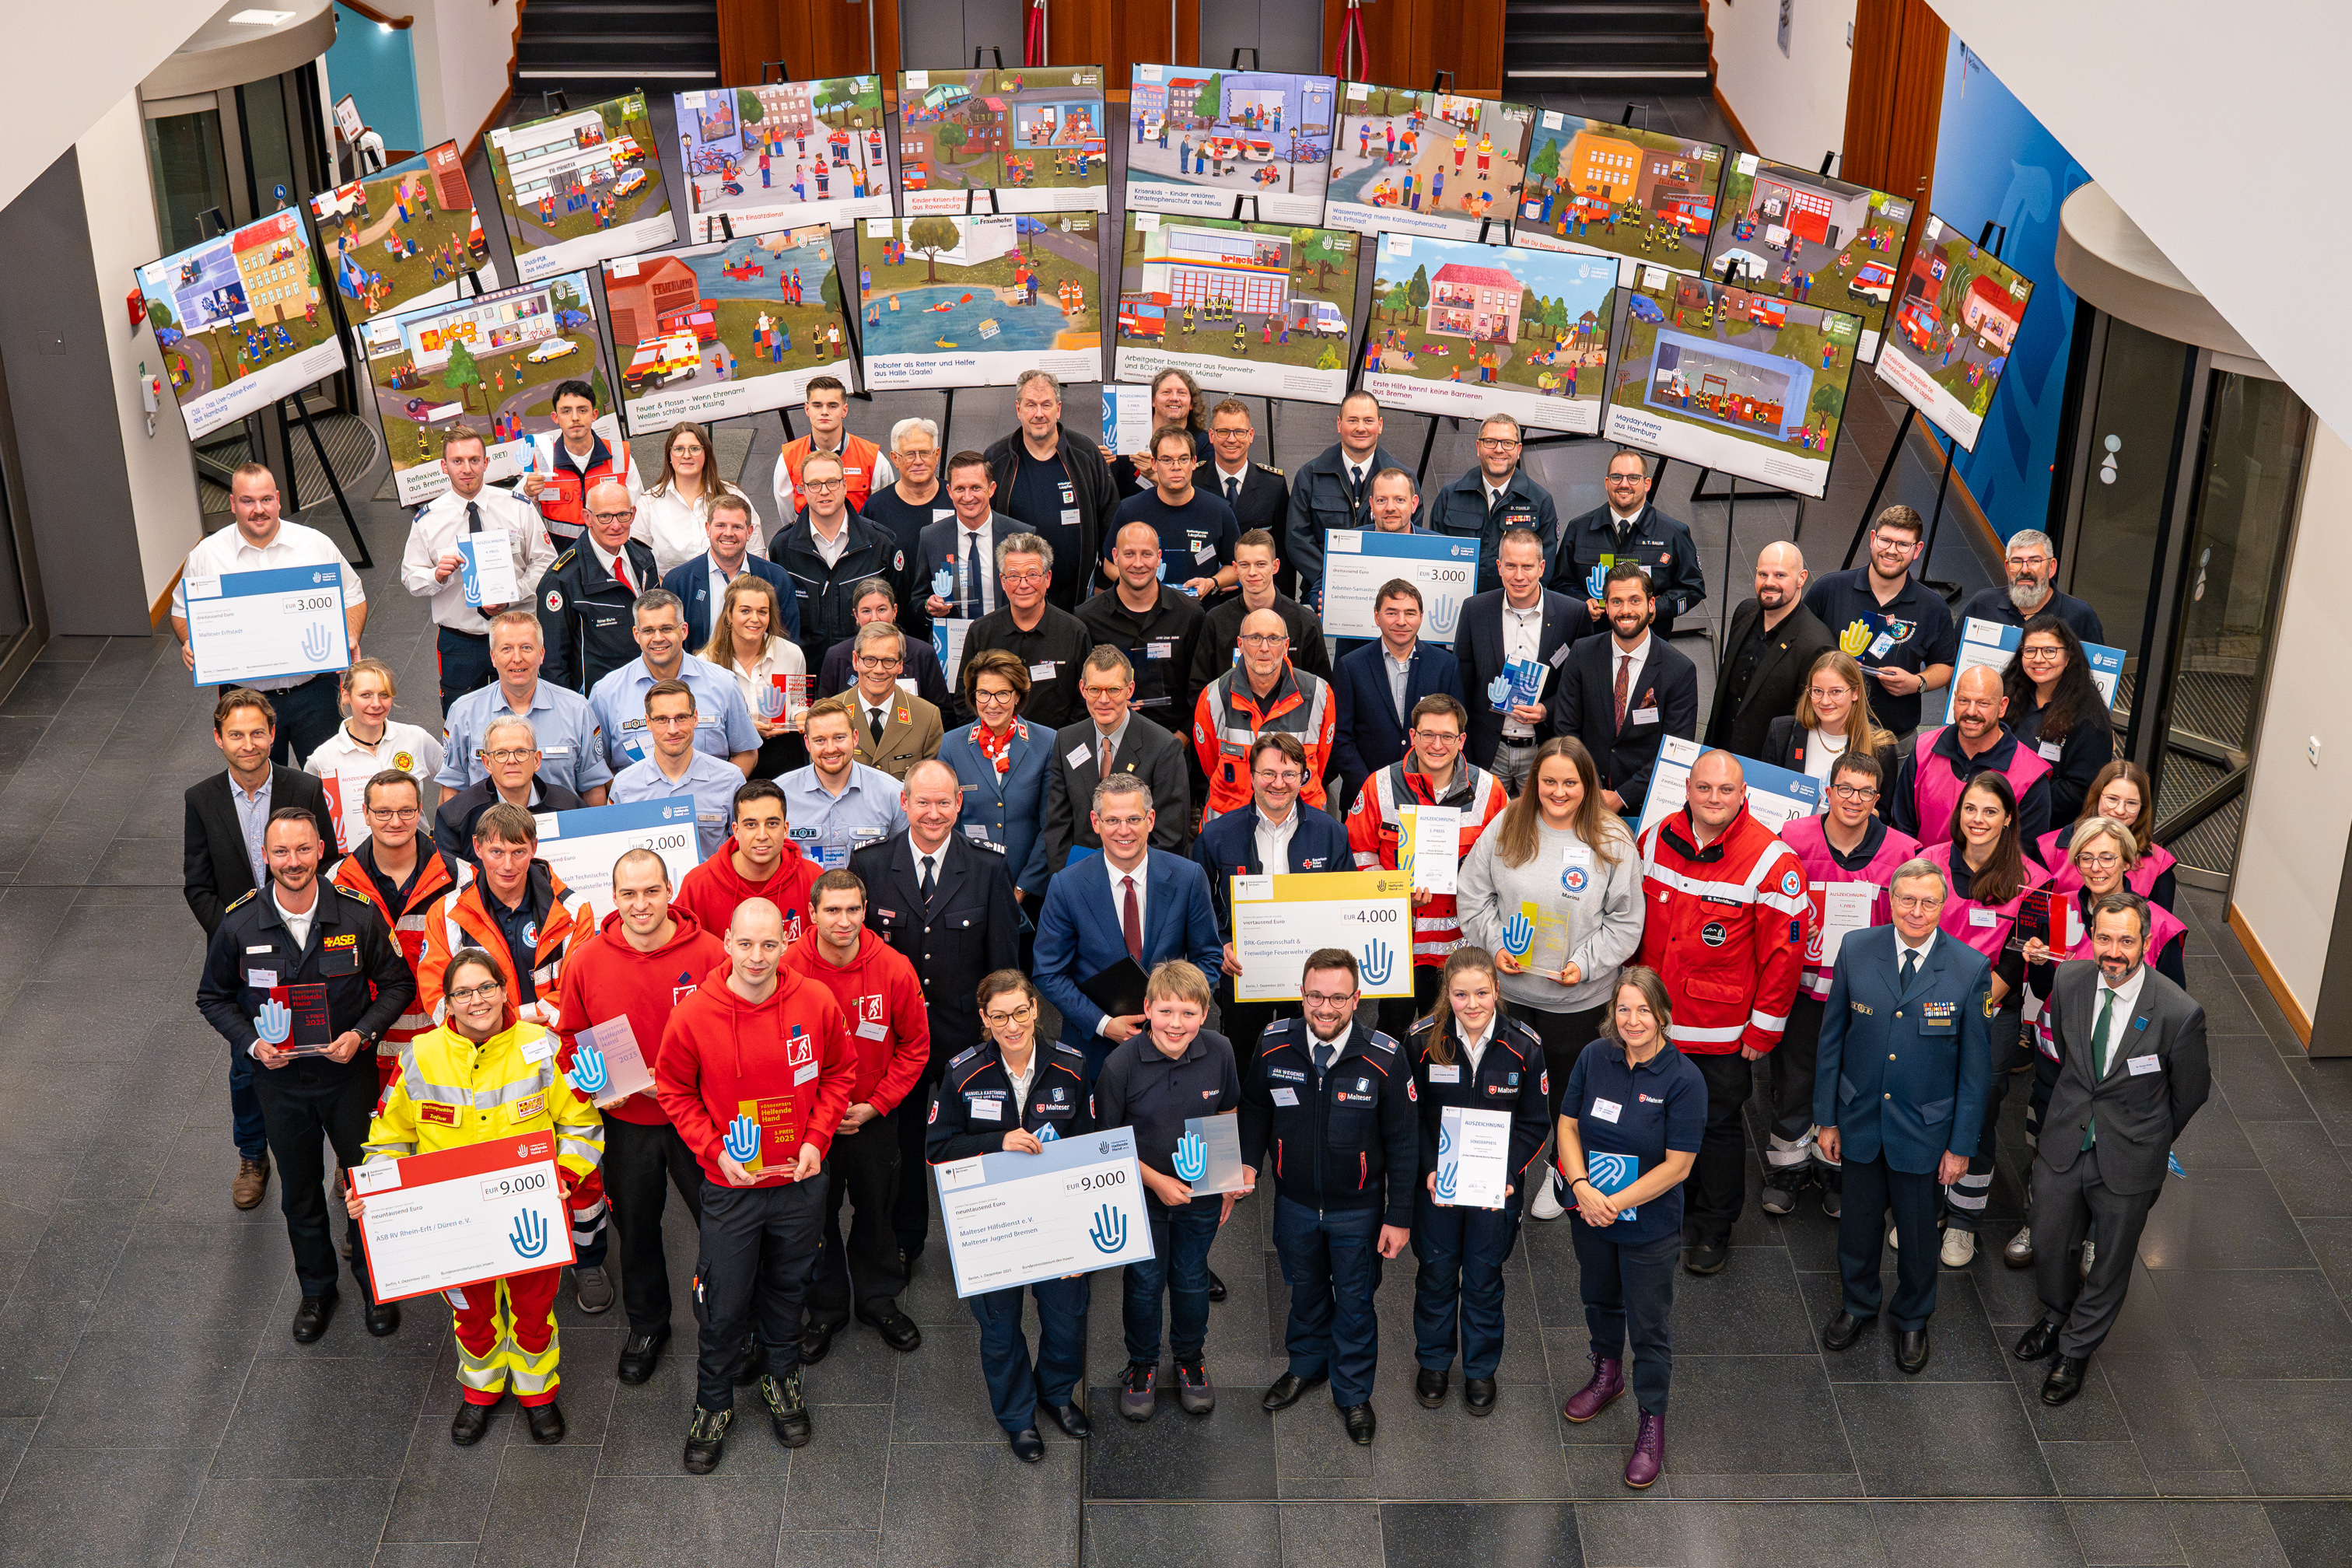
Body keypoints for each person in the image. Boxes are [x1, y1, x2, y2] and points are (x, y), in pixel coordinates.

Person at [352, 947, 604, 1443]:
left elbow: (580, 1125)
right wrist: (372, 1191)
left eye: (486, 987)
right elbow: (389, 1138)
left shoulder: (542, 1047)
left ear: (505, 990)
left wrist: (566, 1178)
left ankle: (538, 1394)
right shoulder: (419, 1057)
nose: (477, 1000)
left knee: (534, 1312)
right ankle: (481, 1393)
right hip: (456, 1231)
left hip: (530, 1219)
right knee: (473, 1317)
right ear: (446, 1003)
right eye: (463, 992)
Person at [197, 807, 415, 1341]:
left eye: (302, 850)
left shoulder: (358, 915)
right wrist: (251, 1043)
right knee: (299, 1191)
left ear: (321, 850)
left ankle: (375, 1283)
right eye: (280, 852)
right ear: (265, 858)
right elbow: (213, 996)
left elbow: (397, 986)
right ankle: (317, 1290)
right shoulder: (240, 922)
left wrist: (361, 1034)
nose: (292, 863)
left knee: (368, 1183)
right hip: (280, 1084)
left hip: (349, 1079)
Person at [656, 898, 859, 1471]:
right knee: (722, 1300)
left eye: (770, 945)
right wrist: (715, 1152)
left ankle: (782, 1381)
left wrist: (818, 1139)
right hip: (731, 1188)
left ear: (785, 944)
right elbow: (674, 1090)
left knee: (789, 1289)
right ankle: (713, 1403)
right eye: (745, 944)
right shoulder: (694, 1014)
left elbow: (841, 1072)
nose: (757, 956)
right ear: (726, 943)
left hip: (798, 1183)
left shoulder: (815, 1002)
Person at [2014, 891, 2207, 1405]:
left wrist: (2151, 1137)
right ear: (2091, 938)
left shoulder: (2178, 1012)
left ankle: (2075, 1350)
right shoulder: (2071, 980)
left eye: (2126, 940)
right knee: (2050, 1242)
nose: (2114, 951)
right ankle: (2056, 1315)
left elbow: (2191, 1092)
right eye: (2104, 938)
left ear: (2146, 942)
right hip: (2063, 1142)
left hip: (2130, 1159)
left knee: (2110, 1263)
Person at [551, 848, 726, 1383]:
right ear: (614, 897)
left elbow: (734, 1033)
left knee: (720, 1229)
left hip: (700, 1122)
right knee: (638, 1229)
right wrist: (598, 1086)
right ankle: (648, 1324)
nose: (641, 903)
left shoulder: (713, 953)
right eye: (629, 893)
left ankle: (728, 1324)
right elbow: (569, 1042)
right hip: (628, 1126)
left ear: (670, 890)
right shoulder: (587, 960)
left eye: (651, 891)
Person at [1814, 858, 1993, 1375]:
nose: (1916, 911)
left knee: (1918, 1237)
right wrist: (1827, 1119)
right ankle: (1857, 1304)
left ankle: (1913, 1317)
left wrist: (1960, 1146)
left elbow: (1975, 1073)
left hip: (1926, 1135)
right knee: (1858, 1229)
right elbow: (1831, 1040)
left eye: (1928, 902)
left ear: (1944, 905)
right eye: (1907, 900)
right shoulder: (1855, 949)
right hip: (1860, 1123)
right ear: (1889, 900)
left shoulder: (1968, 968)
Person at [1633, 749, 1807, 1273]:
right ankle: (1670, 1205)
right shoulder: (1655, 837)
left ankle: (1714, 1226)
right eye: (1704, 788)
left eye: (1725, 791)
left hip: (1722, 1030)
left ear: (1743, 795)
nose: (1713, 799)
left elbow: (1784, 955)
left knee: (1717, 1127)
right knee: (1657, 1120)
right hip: (1655, 1022)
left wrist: (1763, 1030)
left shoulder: (1773, 861)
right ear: (1687, 789)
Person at [1457, 734, 1644, 1214]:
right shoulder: (1507, 825)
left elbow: (1625, 922)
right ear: (1533, 781)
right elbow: (1473, 896)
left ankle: (1560, 1174)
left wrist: (1585, 965)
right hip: (1511, 996)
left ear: (1589, 784)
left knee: (1568, 1094)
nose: (1558, 792)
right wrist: (1495, 947)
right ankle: (1488, 1170)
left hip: (1577, 1002)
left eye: (1570, 782)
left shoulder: (1611, 838)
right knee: (1499, 1087)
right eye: (1548, 782)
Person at [1238, 948, 1416, 1445]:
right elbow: (1254, 1106)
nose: (1325, 1008)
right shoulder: (1274, 1045)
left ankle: (1354, 1393)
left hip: (1358, 1212)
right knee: (1305, 1290)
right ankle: (1307, 1366)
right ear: (1301, 994)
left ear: (1357, 999)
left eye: (1339, 997)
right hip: (1293, 1203)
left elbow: (1404, 1141)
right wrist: (1249, 1162)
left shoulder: (1385, 1057)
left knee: (1356, 1302)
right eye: (1316, 995)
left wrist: (1398, 1215)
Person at [852, 760, 1020, 1262]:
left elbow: (1004, 967)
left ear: (959, 804)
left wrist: (1001, 1032)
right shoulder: (870, 865)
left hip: (964, 1036)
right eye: (922, 802)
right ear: (903, 803)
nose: (932, 813)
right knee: (899, 1146)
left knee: (975, 1139)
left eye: (943, 802)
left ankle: (988, 1238)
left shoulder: (989, 869)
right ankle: (905, 1242)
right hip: (892, 1037)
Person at [926, 970, 1096, 1461]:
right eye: (999, 1016)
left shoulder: (1072, 1067)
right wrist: (995, 1143)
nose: (1012, 1025)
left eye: (1020, 1012)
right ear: (984, 1019)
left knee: (1067, 1322)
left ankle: (1057, 1394)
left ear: (1036, 1010)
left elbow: (1089, 1151)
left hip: (1056, 1220)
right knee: (1000, 1330)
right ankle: (1019, 1418)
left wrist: (1085, 1239)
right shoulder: (963, 1073)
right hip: (992, 1227)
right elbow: (938, 1149)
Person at [184, 689, 340, 1209]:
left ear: (273, 735)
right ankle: (253, 1154)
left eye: (257, 732)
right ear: (218, 738)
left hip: (310, 939)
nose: (247, 744)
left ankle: (345, 1162)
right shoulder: (200, 799)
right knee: (246, 1058)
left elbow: (330, 862)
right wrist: (238, 935)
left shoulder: (305, 787)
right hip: (246, 958)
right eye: (236, 733)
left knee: (328, 1043)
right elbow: (198, 885)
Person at [1556, 967, 1705, 1487]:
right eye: (1624, 1009)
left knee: (1649, 1327)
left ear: (1663, 1014)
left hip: (1648, 1228)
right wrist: (1578, 1186)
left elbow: (1678, 1167)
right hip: (1590, 1214)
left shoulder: (1684, 1080)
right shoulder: (1595, 1057)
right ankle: (1607, 1374)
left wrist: (1611, 1202)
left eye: (1644, 1009)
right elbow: (1568, 1124)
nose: (1633, 1019)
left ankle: (1651, 1418)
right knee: (1598, 1299)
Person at [780, 870, 929, 1359]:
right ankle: (825, 1310)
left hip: (871, 1118)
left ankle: (878, 1298)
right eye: (831, 911)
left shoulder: (894, 968)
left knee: (876, 1214)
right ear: (812, 914)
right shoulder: (787, 968)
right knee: (815, 1218)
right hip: (807, 1126)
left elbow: (915, 1047)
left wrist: (876, 1105)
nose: (843, 921)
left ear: (865, 912)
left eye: (852, 910)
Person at [1765, 751, 1921, 1216]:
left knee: (1852, 1080)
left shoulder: (1902, 851)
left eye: (1866, 792)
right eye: (1845, 789)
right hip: (1803, 987)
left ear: (1878, 800)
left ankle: (1833, 1164)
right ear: (1827, 792)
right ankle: (1788, 1166)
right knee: (1795, 1076)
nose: (1854, 800)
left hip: (1865, 994)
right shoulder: (1791, 839)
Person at [1094, 959, 1247, 1422]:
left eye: (1187, 1013)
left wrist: (1223, 1183)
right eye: (1165, 1012)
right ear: (1146, 1010)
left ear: (1204, 1014)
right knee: (1143, 1282)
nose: (1175, 1024)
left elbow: (1226, 1112)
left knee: (1191, 1276)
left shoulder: (1220, 1052)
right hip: (1141, 1194)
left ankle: (1189, 1359)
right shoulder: (1120, 1066)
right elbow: (1106, 1143)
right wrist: (1157, 1183)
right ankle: (1142, 1364)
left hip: (1200, 1195)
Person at [1406, 947, 1550, 1413]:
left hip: (1496, 1191)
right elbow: (1410, 1117)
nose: (1472, 1004)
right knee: (1436, 1274)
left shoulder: (1525, 1046)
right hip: (1437, 1189)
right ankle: (1433, 1361)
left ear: (1497, 991)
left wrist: (1506, 1174)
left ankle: (1480, 1370)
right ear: (1446, 993)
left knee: (1486, 1279)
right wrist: (1429, 1167)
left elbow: (1534, 1123)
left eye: (1482, 993)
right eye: (1461, 994)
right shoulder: (1423, 1042)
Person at [1917, 770, 2046, 1258]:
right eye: (1971, 808)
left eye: (1991, 811)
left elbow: (2018, 956)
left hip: (1993, 1008)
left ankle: (1965, 1220)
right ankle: (1924, 1208)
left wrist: (1974, 1007)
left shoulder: (2034, 881)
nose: (1978, 819)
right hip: (1928, 1002)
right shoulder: (1928, 863)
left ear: (2009, 818)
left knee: (1980, 1107)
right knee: (1927, 1102)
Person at [173, 462, 369, 761]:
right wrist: (191, 641)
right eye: (247, 501)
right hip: (245, 700)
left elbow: (353, 595)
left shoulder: (314, 545)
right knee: (260, 790)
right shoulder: (206, 556)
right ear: (232, 504)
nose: (259, 510)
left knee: (326, 786)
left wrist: (351, 636)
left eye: (266, 500)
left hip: (314, 691)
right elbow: (181, 612)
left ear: (278, 498)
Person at [1034, 773, 1223, 1076]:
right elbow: (1049, 972)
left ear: (1151, 820)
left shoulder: (1189, 878)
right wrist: (1103, 1024)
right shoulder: (1066, 886)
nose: (1124, 831)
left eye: (1134, 819)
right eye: (1112, 821)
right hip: (1095, 1052)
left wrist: (1175, 1014)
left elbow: (1209, 958)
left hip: (1173, 1044)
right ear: (1095, 823)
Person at [1343, 693, 1511, 1035]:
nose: (1437, 745)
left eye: (1447, 736)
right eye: (1428, 735)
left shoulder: (1490, 791)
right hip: (1398, 942)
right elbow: (1358, 854)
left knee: (1451, 1036)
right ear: (1413, 736)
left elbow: (1507, 864)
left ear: (1461, 740)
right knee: (1391, 1034)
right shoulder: (1379, 786)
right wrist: (1394, 892)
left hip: (1461, 945)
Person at [1195, 732, 1355, 1047]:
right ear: (1252, 776)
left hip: (1311, 979)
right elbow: (1198, 906)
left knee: (1305, 1059)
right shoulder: (1216, 836)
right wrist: (1220, 945)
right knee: (1243, 1057)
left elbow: (1346, 904)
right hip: (1242, 974)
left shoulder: (1332, 833)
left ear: (1303, 777)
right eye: (1268, 773)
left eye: (1289, 774)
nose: (1278, 783)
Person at [331, 768, 464, 1086]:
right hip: (366, 1050)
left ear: (420, 811)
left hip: (447, 1046)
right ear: (364, 813)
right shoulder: (336, 883)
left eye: (406, 811)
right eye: (383, 812)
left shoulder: (461, 877)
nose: (395, 821)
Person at [1553, 563, 1699, 818]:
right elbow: (1566, 730)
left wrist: (1622, 796)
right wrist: (1590, 790)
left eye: (1635, 600)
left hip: (1643, 807)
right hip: (1584, 799)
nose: (1626, 611)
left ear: (1651, 605)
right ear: (1606, 606)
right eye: (1617, 601)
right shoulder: (1581, 654)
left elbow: (1676, 749)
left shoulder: (1680, 670)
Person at [1801, 505, 1958, 740]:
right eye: (1885, 540)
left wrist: (1917, 683)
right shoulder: (1829, 589)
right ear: (1873, 539)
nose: (1892, 551)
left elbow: (1945, 666)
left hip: (1894, 739)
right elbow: (1800, 644)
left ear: (1917, 550)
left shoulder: (1933, 608)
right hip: (1826, 730)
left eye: (1903, 544)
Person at [1042, 647, 1194, 869]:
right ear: (1083, 689)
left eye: (1113, 689)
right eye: (1095, 689)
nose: (1103, 699)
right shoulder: (1066, 740)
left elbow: (1170, 836)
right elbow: (1057, 825)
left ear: (1129, 689)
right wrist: (1068, 881)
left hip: (1139, 880)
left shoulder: (1163, 746)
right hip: (1081, 875)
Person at [437, 611, 613, 802]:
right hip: (488, 829)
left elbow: (593, 788)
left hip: (562, 827)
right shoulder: (464, 713)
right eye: (506, 649)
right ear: (493, 657)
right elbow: (452, 790)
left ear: (542, 654)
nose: (517, 658)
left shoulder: (577, 710)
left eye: (526, 648)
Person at [983, 369, 1118, 611]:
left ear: (1058, 409)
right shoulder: (997, 460)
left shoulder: (1086, 454)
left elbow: (1111, 520)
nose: (1038, 414)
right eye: (1030, 405)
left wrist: (1104, 583)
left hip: (1079, 600)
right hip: (1016, 597)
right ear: (1018, 409)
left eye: (1046, 405)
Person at [1330, 579, 1467, 817]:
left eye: (1410, 613)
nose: (1401, 621)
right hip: (1365, 798)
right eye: (1392, 613)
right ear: (1377, 616)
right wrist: (1373, 787)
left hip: (1430, 800)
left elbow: (1455, 733)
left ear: (1421, 617)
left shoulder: (1446, 665)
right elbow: (1341, 737)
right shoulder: (1351, 666)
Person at [1454, 528, 1577, 792]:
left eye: (1527, 566)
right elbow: (1461, 682)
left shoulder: (1572, 615)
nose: (1518, 576)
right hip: (1489, 751)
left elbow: (1579, 687)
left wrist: (1546, 710)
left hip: (1544, 752)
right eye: (1510, 566)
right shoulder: (1474, 610)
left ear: (1542, 567)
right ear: (1499, 567)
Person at [587, 590, 761, 775]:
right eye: (648, 630)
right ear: (637, 635)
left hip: (708, 801)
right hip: (640, 802)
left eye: (667, 628)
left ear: (684, 630)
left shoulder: (723, 684)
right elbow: (596, 768)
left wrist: (719, 793)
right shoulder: (606, 693)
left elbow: (747, 753)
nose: (658, 638)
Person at [1890, 663, 2055, 853]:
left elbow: (2025, 856)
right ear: (1954, 701)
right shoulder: (1923, 749)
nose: (1971, 711)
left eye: (1983, 703)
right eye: (1964, 701)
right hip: (1923, 877)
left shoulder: (2031, 775)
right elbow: (1903, 832)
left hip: (1991, 882)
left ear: (2002, 707)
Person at [936, 651, 1057, 910]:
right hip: (967, 888)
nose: (992, 704)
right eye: (983, 694)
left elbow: (1052, 825)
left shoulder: (1046, 742)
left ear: (1017, 696)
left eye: (1002, 694)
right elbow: (947, 822)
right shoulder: (952, 744)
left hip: (1029, 890)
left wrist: (1022, 888)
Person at [1194, 608, 1337, 823]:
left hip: (1301, 826)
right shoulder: (1213, 698)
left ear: (1286, 646)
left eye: (1273, 638)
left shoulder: (1319, 695)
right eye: (1254, 638)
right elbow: (1209, 766)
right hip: (1232, 828)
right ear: (1240, 645)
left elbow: (1323, 762)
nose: (1264, 648)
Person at [768, 451, 912, 660]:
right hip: (805, 672)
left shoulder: (880, 544)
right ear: (803, 490)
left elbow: (900, 613)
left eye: (832, 482)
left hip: (863, 670)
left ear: (845, 486)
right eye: (814, 484)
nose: (824, 491)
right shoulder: (782, 548)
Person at [1552, 450, 1703, 642]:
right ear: (1607, 483)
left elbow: (1693, 588)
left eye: (1633, 478)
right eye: (1617, 477)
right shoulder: (1578, 529)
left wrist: (1658, 608)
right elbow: (1559, 583)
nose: (1624, 484)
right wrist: (1582, 604)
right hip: (1592, 641)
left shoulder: (1673, 533)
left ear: (1647, 484)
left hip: (1651, 644)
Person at [1286, 391, 1416, 612]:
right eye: (1353, 420)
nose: (1361, 428)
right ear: (1339, 424)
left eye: (1368, 421)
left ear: (1380, 424)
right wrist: (1335, 578)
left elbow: (1410, 540)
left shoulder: (1404, 479)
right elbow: (1297, 539)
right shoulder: (1309, 475)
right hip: (1320, 595)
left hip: (1387, 599)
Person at [1703, 542, 1836, 758]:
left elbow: (1807, 725)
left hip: (1765, 767)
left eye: (1780, 575)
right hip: (1718, 751)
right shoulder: (1744, 612)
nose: (1769, 583)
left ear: (1802, 578)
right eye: (1763, 574)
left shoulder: (1816, 645)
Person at [954, 533, 1094, 729]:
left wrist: (1060, 744)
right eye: (1013, 576)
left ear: (1048, 578)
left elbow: (1085, 700)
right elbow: (964, 698)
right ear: (1002, 581)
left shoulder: (1074, 632)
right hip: (992, 748)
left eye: (1032, 575)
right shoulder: (981, 632)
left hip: (1055, 748)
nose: (1023, 584)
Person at [1080, 520, 1209, 732]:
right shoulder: (1087, 618)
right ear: (1115, 556)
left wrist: (1182, 739)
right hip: (1108, 738)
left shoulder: (1190, 615)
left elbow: (1201, 689)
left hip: (1175, 741)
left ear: (1159, 557)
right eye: (1129, 554)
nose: (1138, 563)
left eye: (1147, 554)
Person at [303, 660, 444, 851]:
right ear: (346, 695)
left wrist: (443, 831)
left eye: (384, 695)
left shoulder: (416, 738)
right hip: (356, 864)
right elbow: (309, 819)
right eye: (366, 695)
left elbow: (453, 780)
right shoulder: (322, 759)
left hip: (417, 853)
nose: (376, 704)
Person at [538, 479, 662, 695]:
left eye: (623, 515)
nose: (616, 525)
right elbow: (552, 664)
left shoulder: (644, 559)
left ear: (633, 513)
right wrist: (574, 712)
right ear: (587, 518)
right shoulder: (562, 579)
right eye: (605, 517)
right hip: (597, 704)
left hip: (650, 692)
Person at [611, 681, 755, 859]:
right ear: (648, 723)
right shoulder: (624, 785)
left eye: (681, 718)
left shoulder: (730, 779)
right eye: (662, 720)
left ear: (695, 718)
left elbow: (745, 850)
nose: (673, 730)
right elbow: (613, 852)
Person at [1189, 529, 1332, 705]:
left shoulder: (1305, 622)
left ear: (1276, 566)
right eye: (1244, 565)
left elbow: (1322, 690)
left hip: (1290, 727)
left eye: (1261, 564)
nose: (1252, 572)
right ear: (1235, 569)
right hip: (1231, 725)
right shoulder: (1216, 621)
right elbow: (1200, 689)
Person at [675, 778, 821, 946]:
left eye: (772, 824)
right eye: (751, 825)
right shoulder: (697, 885)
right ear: (736, 831)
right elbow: (682, 953)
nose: (762, 835)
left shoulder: (813, 879)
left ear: (785, 829)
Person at [1425, 414, 1560, 594]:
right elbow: (1434, 558)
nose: (1499, 449)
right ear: (1478, 447)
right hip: (1456, 603)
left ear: (1519, 449)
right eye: (1490, 442)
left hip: (1512, 608)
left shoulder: (1540, 502)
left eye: (1507, 443)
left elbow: (1544, 571)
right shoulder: (1450, 497)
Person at [2003, 615, 2116, 828]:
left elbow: (2082, 791)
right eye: (2030, 650)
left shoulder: (2089, 719)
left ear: (2069, 657)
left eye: (2049, 651)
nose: (2038, 659)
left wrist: (2018, 793)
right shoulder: (2009, 695)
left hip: (2049, 832)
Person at [779, 695, 913, 872]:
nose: (831, 749)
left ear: (855, 738)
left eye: (839, 738)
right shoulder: (781, 794)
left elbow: (905, 860)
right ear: (807, 744)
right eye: (820, 740)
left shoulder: (891, 793)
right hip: (804, 897)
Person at [1107, 426, 1241, 599]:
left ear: (1194, 462)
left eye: (1183, 459)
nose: (1176, 467)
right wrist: (1143, 587)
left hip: (1200, 613)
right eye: (1167, 459)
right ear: (1154, 464)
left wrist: (1212, 582)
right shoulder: (1130, 509)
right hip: (1143, 614)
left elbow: (1236, 566)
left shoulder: (1219, 510)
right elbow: (1109, 566)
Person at [432, 715, 585, 864]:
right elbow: (450, 882)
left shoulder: (570, 807)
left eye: (521, 752)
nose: (512, 760)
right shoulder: (455, 817)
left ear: (537, 760)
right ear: (487, 763)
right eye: (501, 753)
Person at [701, 572, 808, 779]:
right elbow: (707, 722)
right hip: (732, 755)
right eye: (745, 611)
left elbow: (798, 702)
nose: (755, 619)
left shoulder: (791, 654)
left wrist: (801, 717)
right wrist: (747, 729)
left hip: (782, 752)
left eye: (762, 612)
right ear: (729, 615)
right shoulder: (707, 663)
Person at [912, 451, 1023, 647]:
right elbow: (917, 599)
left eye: (976, 488)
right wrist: (929, 606)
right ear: (949, 491)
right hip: (954, 646)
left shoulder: (1019, 535)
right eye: (960, 489)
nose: (968, 497)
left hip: (1009, 643)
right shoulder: (932, 537)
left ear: (991, 489)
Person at [663, 492, 800, 652]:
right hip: (699, 675)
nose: (728, 533)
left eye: (737, 527)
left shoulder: (776, 578)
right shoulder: (678, 582)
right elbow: (669, 643)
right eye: (721, 525)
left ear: (749, 532)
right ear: (708, 529)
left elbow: (788, 641)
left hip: (759, 674)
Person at [634, 420, 767, 579]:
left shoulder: (733, 495)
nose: (686, 455)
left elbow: (756, 551)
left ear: (707, 454)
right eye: (678, 449)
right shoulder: (649, 503)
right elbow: (637, 560)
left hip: (731, 593)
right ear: (669, 455)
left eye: (695, 449)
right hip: (673, 596)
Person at [2038, 761, 2175, 908]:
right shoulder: (2049, 848)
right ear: (2097, 797)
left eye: (2131, 803)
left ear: (2142, 808)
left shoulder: (2158, 864)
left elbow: (2159, 926)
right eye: (2112, 799)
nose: (2120, 810)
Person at [812, 577, 954, 713]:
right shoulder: (836, 656)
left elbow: (943, 714)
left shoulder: (922, 653)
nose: (875, 618)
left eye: (881, 610)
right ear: (856, 615)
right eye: (866, 611)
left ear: (895, 611)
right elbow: (823, 713)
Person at [1761, 649, 1899, 786]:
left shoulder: (1881, 749)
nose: (1825, 701)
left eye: (1836, 692)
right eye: (1817, 691)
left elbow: (1882, 808)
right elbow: (1765, 793)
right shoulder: (1782, 732)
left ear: (1855, 693)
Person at [520, 379, 631, 549]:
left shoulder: (620, 454)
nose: (575, 418)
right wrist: (528, 493)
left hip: (613, 556)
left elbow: (636, 515)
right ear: (555, 418)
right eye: (566, 411)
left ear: (594, 415)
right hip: (563, 563)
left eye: (582, 410)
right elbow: (521, 516)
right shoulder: (541, 460)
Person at [1200, 398, 1291, 595]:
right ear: (1211, 435)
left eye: (1239, 432)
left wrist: (1282, 605)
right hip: (1205, 597)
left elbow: (1283, 552)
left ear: (1250, 435)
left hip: (1257, 596)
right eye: (1223, 431)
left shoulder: (1273, 485)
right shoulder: (1194, 480)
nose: (1231, 439)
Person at [1957, 528, 2107, 645]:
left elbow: (2095, 676)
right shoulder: (1982, 604)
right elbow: (1953, 665)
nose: (2025, 570)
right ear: (2008, 568)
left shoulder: (2080, 615)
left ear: (2052, 568)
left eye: (2034, 561)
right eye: (2017, 561)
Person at [773, 376, 894, 519]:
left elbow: (883, 511)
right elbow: (788, 518)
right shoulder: (788, 459)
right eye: (817, 405)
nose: (824, 412)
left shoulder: (873, 459)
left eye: (832, 406)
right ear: (807, 409)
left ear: (844, 410)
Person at [839, 623, 944, 782]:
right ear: (855, 660)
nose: (879, 670)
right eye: (870, 660)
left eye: (889, 661)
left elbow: (933, 787)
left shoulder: (927, 718)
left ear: (900, 665)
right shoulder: (831, 714)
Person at [1107, 368, 1212, 499]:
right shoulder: (1125, 438)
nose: (1174, 398)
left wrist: (1156, 477)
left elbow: (1202, 496)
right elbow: (1108, 495)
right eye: (1166, 392)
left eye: (1182, 393)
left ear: (1192, 404)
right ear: (1152, 401)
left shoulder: (1205, 444)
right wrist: (1102, 467)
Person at [859, 417, 950, 566]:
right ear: (895, 459)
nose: (919, 461)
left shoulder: (956, 499)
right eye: (910, 454)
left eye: (925, 453)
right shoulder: (876, 508)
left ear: (937, 455)